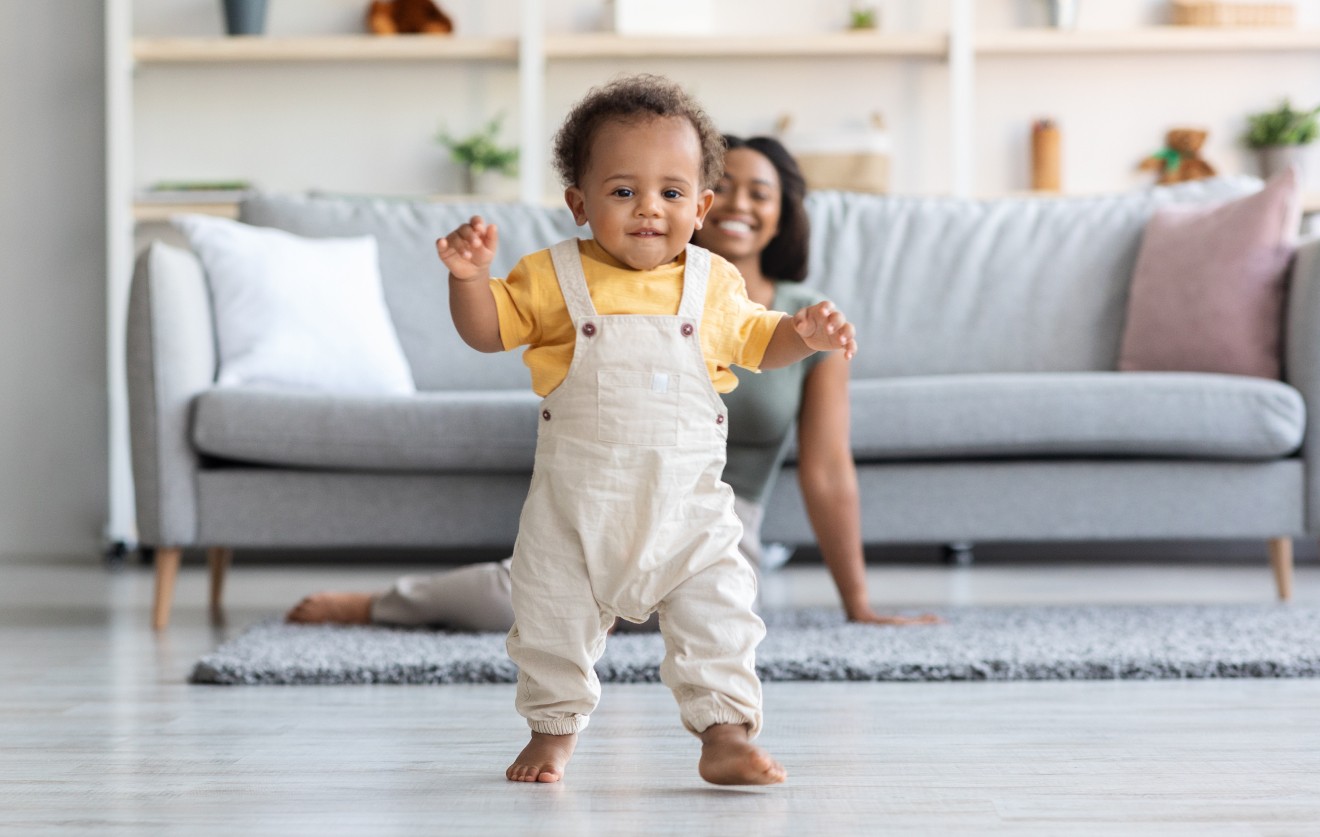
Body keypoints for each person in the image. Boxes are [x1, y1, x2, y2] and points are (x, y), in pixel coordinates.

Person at [287, 134, 937, 632]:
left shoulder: (806, 318)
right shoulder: (610, 284)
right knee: (539, 594)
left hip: (713, 512)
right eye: (726, 185)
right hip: (606, 485)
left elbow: (826, 470)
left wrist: (859, 605)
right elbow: (500, 329)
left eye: (760, 192)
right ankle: (382, 603)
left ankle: (718, 721)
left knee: (705, 608)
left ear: (783, 211)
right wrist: (470, 280)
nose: (740, 203)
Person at [447, 73, 857, 787]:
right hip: (575, 513)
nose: (648, 209)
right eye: (622, 190)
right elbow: (487, 332)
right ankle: (551, 730)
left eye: (671, 192)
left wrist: (804, 332)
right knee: (550, 623)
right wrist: (469, 279)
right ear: (579, 202)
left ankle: (724, 734)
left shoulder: (714, 283)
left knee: (721, 617)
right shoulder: (552, 276)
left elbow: (762, 345)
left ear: (700, 206)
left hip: (687, 514)